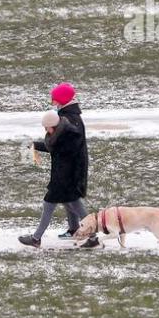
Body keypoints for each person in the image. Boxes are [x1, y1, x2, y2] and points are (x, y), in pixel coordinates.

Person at [19, 82, 99, 248]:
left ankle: (36, 238)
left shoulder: (70, 121)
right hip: (66, 172)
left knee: (51, 203)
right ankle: (80, 231)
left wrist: (41, 145)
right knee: (71, 203)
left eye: (54, 99)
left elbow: (61, 148)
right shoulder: (67, 117)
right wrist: (35, 144)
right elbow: (56, 146)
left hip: (67, 174)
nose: (52, 103)